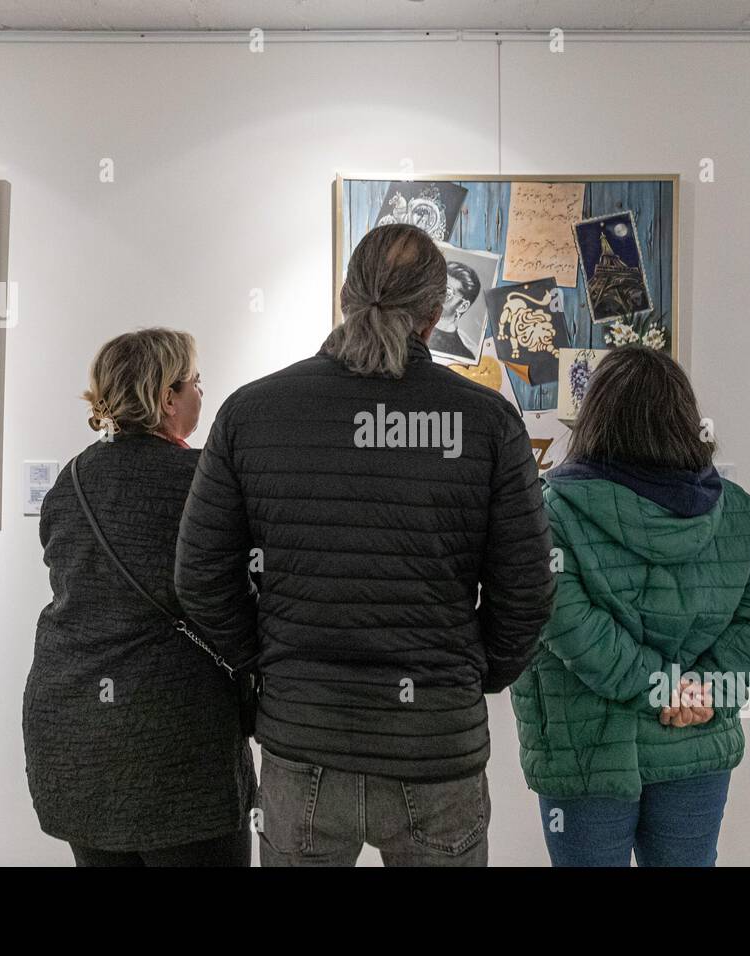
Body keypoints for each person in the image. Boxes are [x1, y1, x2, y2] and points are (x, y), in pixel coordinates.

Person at [175, 223, 555, 867]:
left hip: (304, 742)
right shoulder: (486, 421)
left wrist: (268, 659)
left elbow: (200, 577)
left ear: (345, 295)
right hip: (436, 744)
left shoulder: (251, 412)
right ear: (435, 316)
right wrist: (472, 673)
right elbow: (528, 587)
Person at [512, 345, 750, 867]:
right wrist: (699, 690)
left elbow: (569, 625)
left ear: (595, 419)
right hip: (696, 739)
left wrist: (655, 685)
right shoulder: (738, 513)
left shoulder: (550, 510)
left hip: (584, 751)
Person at [23, 328, 256, 867]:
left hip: (75, 729)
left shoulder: (72, 479)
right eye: (195, 381)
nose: (202, 392)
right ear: (167, 397)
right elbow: (240, 591)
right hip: (175, 738)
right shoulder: (205, 481)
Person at [428, 260, 482, 361]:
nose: (436, 294)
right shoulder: (410, 324)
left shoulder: (462, 355)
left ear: (463, 306)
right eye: (437, 285)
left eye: (447, 292)